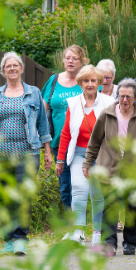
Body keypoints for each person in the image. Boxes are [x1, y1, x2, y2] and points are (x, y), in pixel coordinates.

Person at [0, 52, 53, 256]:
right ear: (3, 70)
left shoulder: (33, 93)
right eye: (9, 66)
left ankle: (20, 238)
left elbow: (42, 123)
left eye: (16, 65)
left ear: (22, 69)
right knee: (5, 198)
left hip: (28, 152)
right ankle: (8, 239)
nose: (13, 68)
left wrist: (48, 151)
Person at [83, 78, 136, 256]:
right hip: (109, 167)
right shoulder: (107, 114)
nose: (124, 100)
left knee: (133, 206)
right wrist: (87, 163)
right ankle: (109, 243)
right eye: (122, 96)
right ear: (117, 96)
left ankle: (130, 242)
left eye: (128, 97)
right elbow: (94, 142)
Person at [55, 65, 115, 246]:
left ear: (99, 83)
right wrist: (60, 159)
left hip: (102, 155)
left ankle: (97, 232)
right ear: (80, 83)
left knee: (97, 194)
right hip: (79, 155)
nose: (89, 84)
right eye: (86, 81)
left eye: (93, 81)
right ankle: (78, 232)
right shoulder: (73, 103)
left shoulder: (108, 102)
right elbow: (66, 132)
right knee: (78, 190)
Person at [42, 45, 87, 210]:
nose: (71, 61)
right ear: (63, 60)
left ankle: (79, 216)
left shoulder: (86, 81)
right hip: (59, 141)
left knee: (79, 181)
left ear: (81, 62)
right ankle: (70, 217)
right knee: (64, 182)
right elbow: (43, 108)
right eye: (68, 58)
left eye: (75, 58)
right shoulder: (54, 81)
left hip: (82, 142)